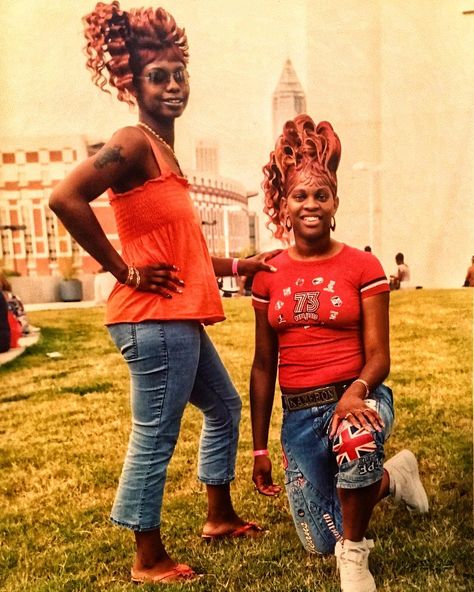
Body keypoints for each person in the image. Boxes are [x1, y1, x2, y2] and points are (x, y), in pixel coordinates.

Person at [49, 2, 278, 584]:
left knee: (224, 408)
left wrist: (241, 263)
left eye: (179, 74)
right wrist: (125, 271)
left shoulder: (163, 152)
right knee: (155, 431)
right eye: (158, 76)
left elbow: (181, 248)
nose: (173, 85)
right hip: (153, 320)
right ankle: (147, 556)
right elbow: (65, 198)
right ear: (132, 83)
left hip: (178, 317)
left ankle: (218, 516)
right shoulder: (129, 140)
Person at [249, 115, 428, 592]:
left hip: (356, 395)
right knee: (317, 539)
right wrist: (260, 446)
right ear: (284, 205)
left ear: (334, 203)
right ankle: (394, 478)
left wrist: (357, 392)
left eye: (320, 195)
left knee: (355, 441)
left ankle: (355, 555)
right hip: (299, 413)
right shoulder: (266, 274)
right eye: (299, 196)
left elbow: (379, 355)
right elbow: (264, 365)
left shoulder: (363, 265)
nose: (310, 204)